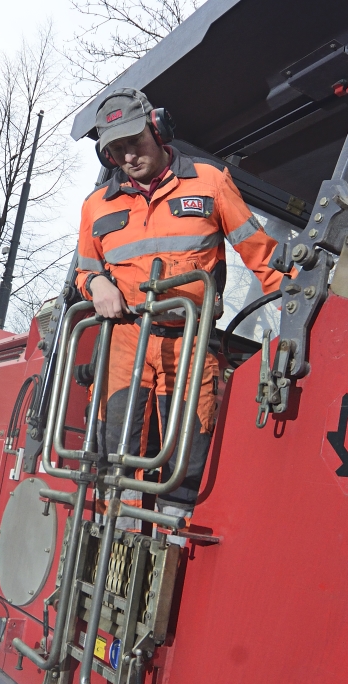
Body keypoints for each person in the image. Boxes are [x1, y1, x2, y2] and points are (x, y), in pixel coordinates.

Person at [75, 87, 286, 507]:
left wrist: (301, 314)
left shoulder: (210, 182)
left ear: (157, 127)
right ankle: (117, 538)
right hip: (124, 340)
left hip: (190, 339)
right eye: (117, 151)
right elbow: (86, 269)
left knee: (187, 458)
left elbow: (262, 256)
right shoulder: (96, 206)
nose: (129, 157)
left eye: (134, 142)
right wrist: (97, 285)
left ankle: (173, 541)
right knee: (115, 449)